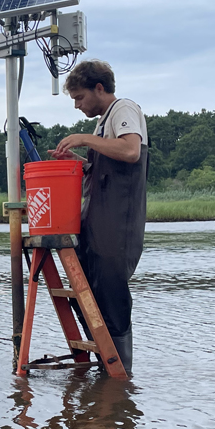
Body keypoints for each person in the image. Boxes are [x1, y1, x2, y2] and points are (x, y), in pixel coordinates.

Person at [49, 60, 148, 373]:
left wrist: (84, 139)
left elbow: (131, 151)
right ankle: (106, 366)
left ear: (99, 88)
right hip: (95, 221)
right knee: (86, 288)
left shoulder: (124, 109)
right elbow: (101, 169)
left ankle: (120, 374)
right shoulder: (104, 123)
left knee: (110, 290)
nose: (78, 106)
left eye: (80, 98)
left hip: (117, 224)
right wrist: (75, 158)